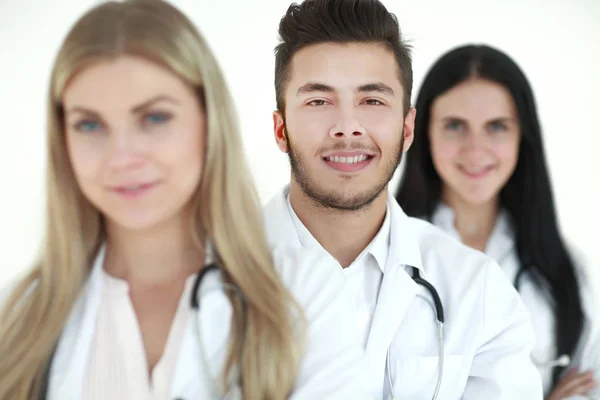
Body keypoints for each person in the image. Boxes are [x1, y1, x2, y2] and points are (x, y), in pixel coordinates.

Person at [0, 1, 369, 399]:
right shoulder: (19, 320)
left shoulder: (302, 292)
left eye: (154, 118)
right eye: (89, 125)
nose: (122, 157)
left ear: (208, 121)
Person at [263, 0, 544, 399]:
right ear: (281, 129)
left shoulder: (475, 290)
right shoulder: (205, 274)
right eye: (318, 101)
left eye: (372, 101)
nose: (347, 128)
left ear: (407, 128)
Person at [395, 43, 600, 400]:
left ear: (523, 136)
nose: (476, 150)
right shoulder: (387, 254)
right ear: (423, 132)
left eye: (497, 127)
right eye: (455, 126)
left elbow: (589, 385)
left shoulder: (564, 269)